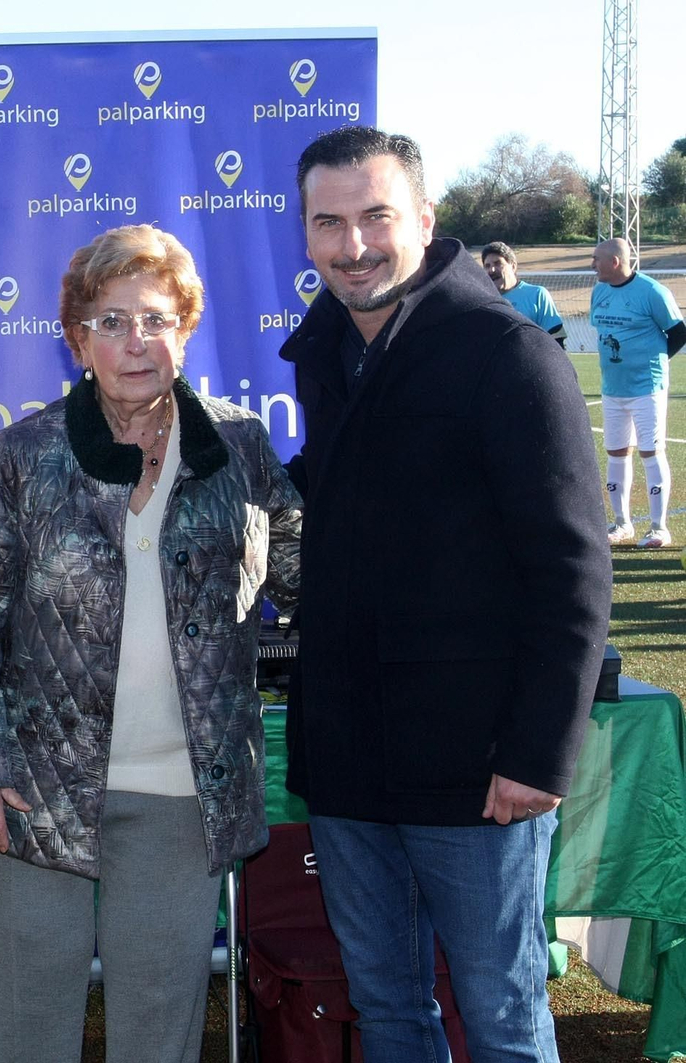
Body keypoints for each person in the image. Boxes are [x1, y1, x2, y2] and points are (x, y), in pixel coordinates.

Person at [281, 126, 612, 1062]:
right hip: (348, 754)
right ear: (304, 233)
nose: (354, 245)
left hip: (478, 767)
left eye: (377, 216)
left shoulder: (506, 352)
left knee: (502, 1017)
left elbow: (574, 569)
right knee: (385, 1008)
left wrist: (540, 751)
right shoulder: (324, 356)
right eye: (329, 222)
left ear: (425, 219)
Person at [0, 224, 302, 1063]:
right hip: (35, 790)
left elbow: (304, 572)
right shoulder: (25, 454)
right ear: (78, 338)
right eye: (112, 321)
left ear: (186, 328)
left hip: (184, 793)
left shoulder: (238, 444)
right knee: (28, 1032)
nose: (137, 341)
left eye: (157, 319)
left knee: (159, 1032)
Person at [590, 236, 685, 548]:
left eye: (597, 259)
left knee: (650, 452)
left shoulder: (653, 291)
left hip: (646, 388)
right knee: (616, 452)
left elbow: (678, 332)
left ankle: (659, 528)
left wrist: (652, 362)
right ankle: (622, 524)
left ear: (615, 262)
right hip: (612, 388)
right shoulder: (599, 290)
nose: (593, 265)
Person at [480, 241, 566, 346]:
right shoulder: (483, 300)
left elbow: (556, 338)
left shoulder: (537, 295)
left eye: (498, 263)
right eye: (487, 266)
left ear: (513, 266)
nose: (491, 270)